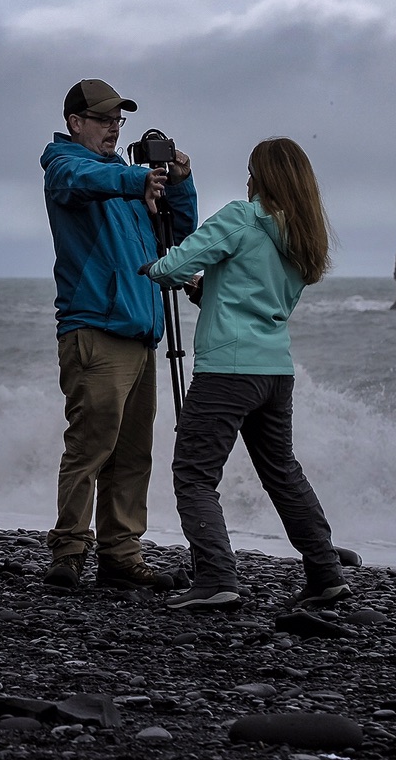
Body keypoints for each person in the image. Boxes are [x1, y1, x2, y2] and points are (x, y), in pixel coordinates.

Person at [145, 137, 349, 612]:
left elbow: (174, 264)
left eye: (252, 170)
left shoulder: (243, 215)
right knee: (282, 472)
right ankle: (325, 573)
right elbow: (262, 298)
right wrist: (208, 291)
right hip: (276, 370)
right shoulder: (303, 235)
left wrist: (156, 267)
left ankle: (216, 577)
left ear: (264, 177)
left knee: (193, 474)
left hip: (227, 371)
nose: (247, 179)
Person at [40, 78, 196, 590]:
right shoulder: (64, 166)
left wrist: (177, 183)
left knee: (132, 452)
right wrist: (134, 180)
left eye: (118, 121)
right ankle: (68, 551)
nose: (113, 128)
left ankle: (121, 554)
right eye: (105, 120)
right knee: (90, 445)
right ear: (75, 122)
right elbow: (80, 181)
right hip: (95, 328)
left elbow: (176, 237)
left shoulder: (126, 180)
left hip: (138, 332)